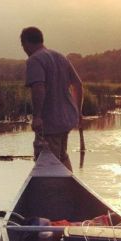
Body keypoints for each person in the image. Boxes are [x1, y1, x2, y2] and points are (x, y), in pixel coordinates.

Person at [20, 27, 83, 171]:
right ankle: (69, 190)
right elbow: (78, 85)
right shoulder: (60, 56)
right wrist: (78, 112)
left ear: (27, 43)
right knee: (62, 156)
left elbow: (38, 87)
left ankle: (56, 191)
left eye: (23, 45)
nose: (23, 49)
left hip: (49, 123)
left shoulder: (34, 60)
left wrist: (37, 117)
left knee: (47, 163)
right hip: (66, 121)